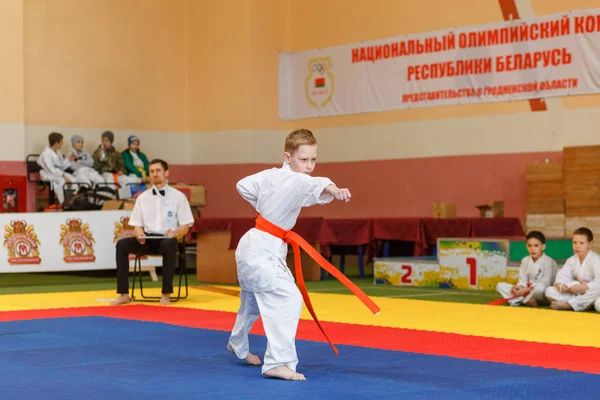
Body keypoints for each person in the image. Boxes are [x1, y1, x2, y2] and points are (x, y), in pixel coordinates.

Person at [227, 129, 353, 381]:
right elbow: (316, 184)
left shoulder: (272, 175)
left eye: (313, 159)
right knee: (288, 299)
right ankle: (277, 362)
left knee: (252, 300)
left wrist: (266, 206)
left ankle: (238, 343)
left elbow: (242, 185)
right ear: (288, 156)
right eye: (303, 160)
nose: (309, 166)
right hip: (262, 248)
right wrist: (335, 188)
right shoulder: (296, 180)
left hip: (255, 245)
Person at [111, 159, 194, 306]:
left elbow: (186, 226)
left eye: (158, 170)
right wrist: (139, 233)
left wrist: (174, 233)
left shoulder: (178, 197)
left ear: (166, 173)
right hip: (147, 240)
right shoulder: (143, 197)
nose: (155, 174)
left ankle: (165, 294)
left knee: (169, 244)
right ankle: (123, 294)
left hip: (168, 239)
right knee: (122, 245)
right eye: (152, 171)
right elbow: (136, 225)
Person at [495, 231, 557, 307]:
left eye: (536, 245)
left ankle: (522, 301)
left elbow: (546, 284)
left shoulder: (549, 262)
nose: (532, 249)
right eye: (529, 246)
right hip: (525, 292)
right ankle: (526, 300)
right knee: (500, 285)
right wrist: (519, 288)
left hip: (541, 294)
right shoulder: (525, 260)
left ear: (543, 247)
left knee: (540, 288)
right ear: (526, 246)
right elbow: (522, 280)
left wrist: (526, 291)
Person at [545, 227, 600, 311]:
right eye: (575, 243)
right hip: (578, 294)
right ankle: (583, 304)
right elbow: (561, 277)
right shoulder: (571, 260)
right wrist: (561, 286)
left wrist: (582, 287)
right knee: (549, 291)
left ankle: (569, 305)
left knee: (598, 301)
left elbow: (598, 284)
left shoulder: (596, 260)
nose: (577, 246)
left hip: (593, 294)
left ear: (590, 244)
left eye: (581, 243)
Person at [92, 130, 141, 198]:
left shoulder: (116, 154)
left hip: (116, 174)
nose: (104, 143)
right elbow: (95, 167)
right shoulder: (98, 152)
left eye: (107, 141)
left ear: (111, 141)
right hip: (105, 174)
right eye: (103, 140)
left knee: (129, 181)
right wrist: (99, 157)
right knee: (111, 186)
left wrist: (121, 171)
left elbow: (122, 166)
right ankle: (113, 202)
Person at [37, 132, 74, 204]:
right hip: (48, 174)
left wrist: (69, 160)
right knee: (62, 181)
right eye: (61, 142)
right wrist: (63, 175)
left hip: (57, 173)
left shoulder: (58, 152)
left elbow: (61, 165)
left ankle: (72, 202)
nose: (62, 144)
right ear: (57, 143)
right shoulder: (46, 153)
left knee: (73, 180)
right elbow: (51, 169)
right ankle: (63, 203)